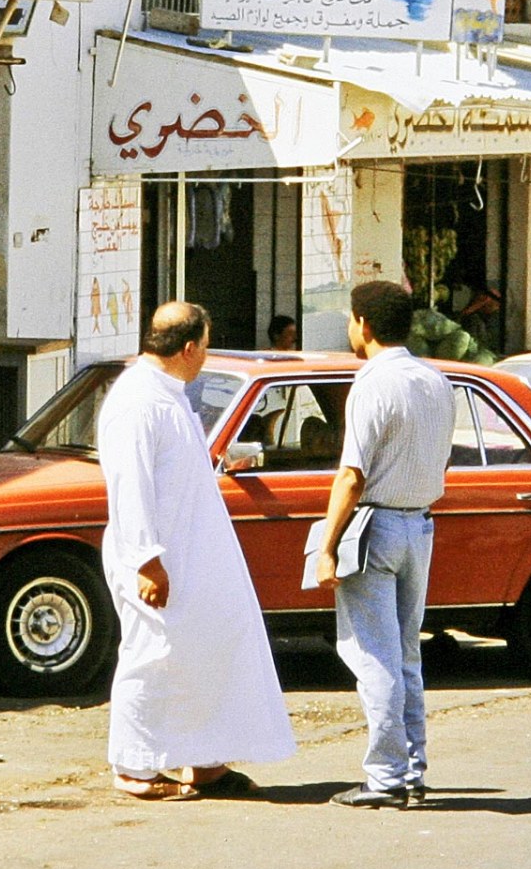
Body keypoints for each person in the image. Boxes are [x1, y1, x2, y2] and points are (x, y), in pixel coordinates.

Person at [99, 301, 296, 801]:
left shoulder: (168, 393)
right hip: (156, 558)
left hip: (192, 554)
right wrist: (147, 560)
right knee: (153, 656)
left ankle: (205, 762)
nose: (206, 355)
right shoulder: (139, 400)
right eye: (205, 347)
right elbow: (130, 486)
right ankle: (134, 766)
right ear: (189, 348)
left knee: (205, 653)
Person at [315, 281, 454, 809]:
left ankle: (386, 776)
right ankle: (411, 769)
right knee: (405, 654)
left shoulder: (372, 383)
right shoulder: (435, 379)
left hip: (375, 526)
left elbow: (351, 475)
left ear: (364, 324)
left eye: (351, 320)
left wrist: (327, 545)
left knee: (374, 656)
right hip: (420, 525)